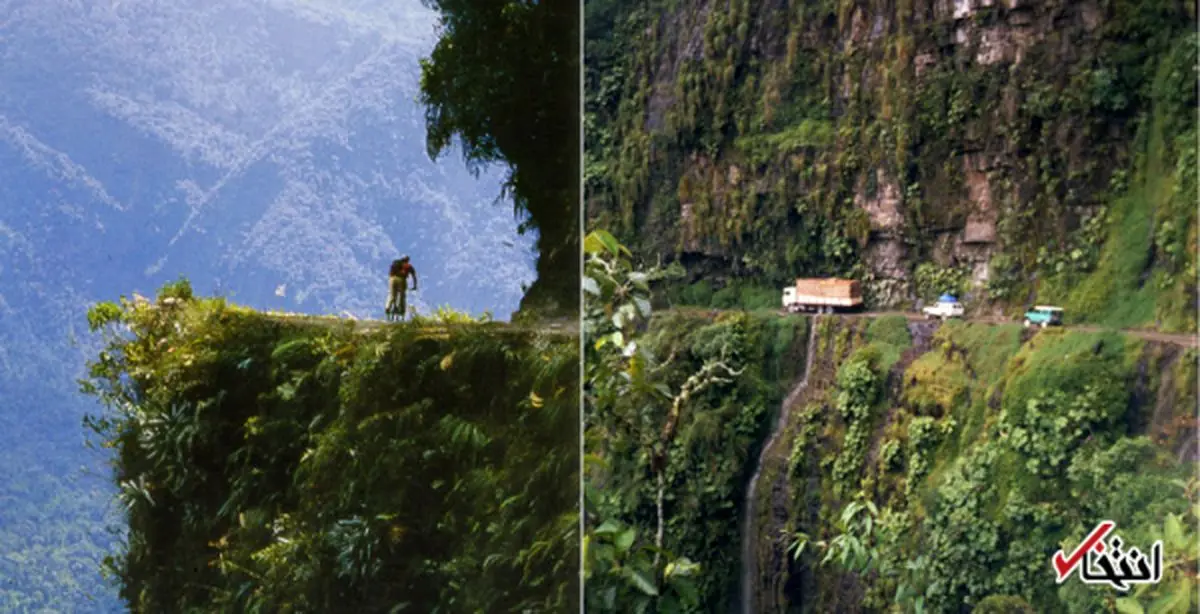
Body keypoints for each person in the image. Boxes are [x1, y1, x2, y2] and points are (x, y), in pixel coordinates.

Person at [386, 256, 418, 321]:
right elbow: (414, 276)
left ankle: (388, 307)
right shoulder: (408, 266)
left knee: (392, 295)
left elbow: (390, 273)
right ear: (407, 260)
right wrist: (415, 286)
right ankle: (401, 311)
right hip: (401, 280)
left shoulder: (395, 264)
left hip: (392, 279)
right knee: (402, 296)